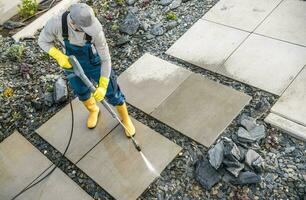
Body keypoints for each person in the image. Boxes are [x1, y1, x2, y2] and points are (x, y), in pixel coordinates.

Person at [38, 3, 135, 137]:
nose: (91, 30)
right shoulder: (56, 24)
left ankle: (126, 119)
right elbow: (42, 41)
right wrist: (58, 55)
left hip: (94, 62)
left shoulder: (96, 31)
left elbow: (106, 59)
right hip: (71, 64)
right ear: (72, 23)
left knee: (112, 92)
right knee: (81, 91)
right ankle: (93, 110)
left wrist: (103, 84)